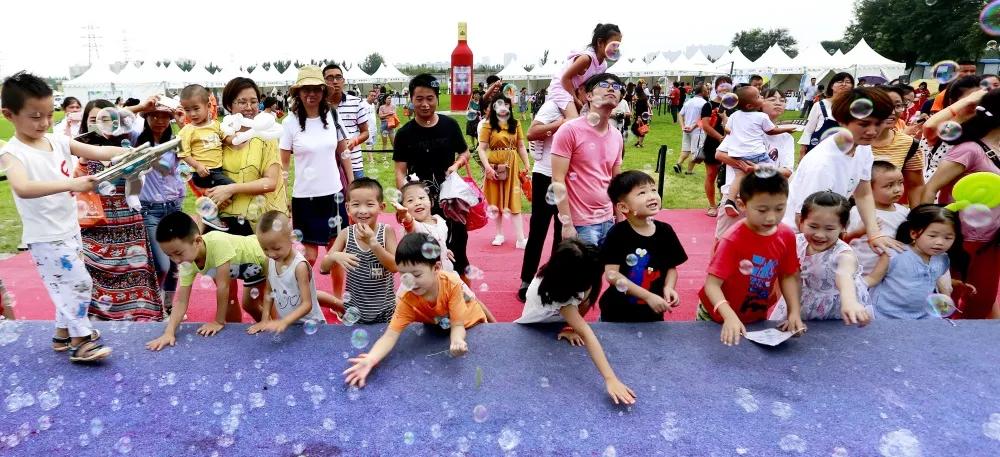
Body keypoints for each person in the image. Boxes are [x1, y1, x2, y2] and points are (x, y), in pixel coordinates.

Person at [0, 72, 126, 362]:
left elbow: (96, 150)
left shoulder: (56, 141)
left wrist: (125, 154)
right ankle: (80, 341)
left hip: (69, 230)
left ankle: (61, 334)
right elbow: (23, 187)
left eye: (47, 114)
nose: (44, 123)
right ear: (9, 115)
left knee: (66, 283)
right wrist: (71, 184)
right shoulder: (12, 153)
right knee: (79, 283)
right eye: (35, 117)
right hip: (46, 237)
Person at [342, 232, 492, 388]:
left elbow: (458, 325)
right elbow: (390, 335)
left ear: (436, 268)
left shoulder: (452, 283)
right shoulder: (408, 300)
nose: (410, 281)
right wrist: (370, 359)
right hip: (441, 330)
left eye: (417, 274)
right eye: (404, 275)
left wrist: (457, 340)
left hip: (474, 325)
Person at [783, 87, 905, 257]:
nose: (872, 131)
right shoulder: (822, 164)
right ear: (842, 121)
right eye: (863, 124)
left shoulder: (862, 148)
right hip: (795, 240)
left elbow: (863, 192)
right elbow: (802, 220)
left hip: (824, 233)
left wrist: (874, 233)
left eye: (878, 123)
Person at [514, 239, 636, 405]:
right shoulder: (554, 292)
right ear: (571, 279)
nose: (593, 281)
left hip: (557, 321)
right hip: (532, 329)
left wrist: (572, 327)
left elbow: (584, 302)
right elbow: (587, 333)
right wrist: (610, 378)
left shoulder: (573, 272)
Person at [77, 99, 163, 321]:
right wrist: (84, 159)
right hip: (95, 224)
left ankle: (137, 320)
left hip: (128, 224)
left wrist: (133, 173)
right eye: (93, 120)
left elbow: (135, 190)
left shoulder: (126, 148)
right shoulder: (77, 151)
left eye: (105, 119)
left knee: (134, 275)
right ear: (86, 123)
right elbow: (73, 186)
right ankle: (96, 320)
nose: (99, 125)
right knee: (90, 274)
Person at [697, 173, 805, 346]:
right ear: (742, 205)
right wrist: (729, 316)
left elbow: (788, 275)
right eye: (762, 210)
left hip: (755, 315)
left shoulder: (786, 236)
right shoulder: (732, 240)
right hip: (716, 316)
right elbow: (712, 285)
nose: (771, 217)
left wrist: (794, 312)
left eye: (779, 208)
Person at [922, 89, 1000, 318]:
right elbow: (930, 188)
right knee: (951, 304)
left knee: (982, 302)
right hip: (960, 241)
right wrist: (931, 230)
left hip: (992, 242)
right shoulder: (970, 150)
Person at [146, 211, 268, 351]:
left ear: (197, 241)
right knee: (245, 304)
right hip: (246, 270)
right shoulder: (186, 262)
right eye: (170, 256)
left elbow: (223, 286)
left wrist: (218, 321)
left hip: (264, 257)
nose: (176, 260)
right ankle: (262, 330)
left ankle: (277, 330)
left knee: (262, 304)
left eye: (178, 253)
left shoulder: (217, 242)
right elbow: (181, 301)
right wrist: (169, 332)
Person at [393, 74, 473, 280]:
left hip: (450, 204)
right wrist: (406, 199)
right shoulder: (404, 134)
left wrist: (456, 164)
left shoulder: (450, 125)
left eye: (430, 98)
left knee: (458, 257)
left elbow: (465, 152)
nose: (425, 104)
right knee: (424, 258)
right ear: (411, 99)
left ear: (437, 98)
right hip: (421, 206)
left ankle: (464, 305)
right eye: (419, 99)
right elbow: (400, 170)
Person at [771, 191, 882, 326]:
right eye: (813, 226)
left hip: (838, 309)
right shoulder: (794, 242)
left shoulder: (843, 254)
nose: (820, 234)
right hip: (802, 299)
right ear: (801, 222)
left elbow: (844, 275)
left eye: (829, 229)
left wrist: (849, 301)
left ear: (843, 227)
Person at [279, 66, 352, 268]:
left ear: (323, 90)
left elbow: (344, 154)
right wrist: (283, 197)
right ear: (298, 93)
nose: (311, 94)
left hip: (333, 194)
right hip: (304, 197)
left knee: (336, 253)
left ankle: (338, 299)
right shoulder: (289, 123)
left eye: (316, 89)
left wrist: (352, 188)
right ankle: (308, 297)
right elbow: (283, 164)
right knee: (308, 257)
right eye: (305, 89)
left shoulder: (333, 116)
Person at [599, 171, 688, 322]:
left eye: (653, 190)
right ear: (623, 207)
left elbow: (671, 268)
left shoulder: (665, 231)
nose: (652, 196)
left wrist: (669, 287)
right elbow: (612, 274)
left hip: (653, 314)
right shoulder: (618, 234)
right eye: (642, 193)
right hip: (617, 313)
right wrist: (648, 296)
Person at [207, 77, 288, 237]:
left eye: (254, 101)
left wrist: (230, 189)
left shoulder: (266, 137)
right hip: (223, 222)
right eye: (242, 102)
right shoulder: (219, 137)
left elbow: (270, 183)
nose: (249, 107)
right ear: (229, 105)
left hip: (258, 224)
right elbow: (205, 174)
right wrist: (216, 194)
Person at [551, 73, 625, 247]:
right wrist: (567, 224)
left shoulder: (616, 136)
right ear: (589, 96)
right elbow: (557, 179)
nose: (611, 89)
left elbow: (616, 181)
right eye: (604, 84)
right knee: (583, 274)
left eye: (616, 87)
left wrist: (619, 220)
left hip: (609, 221)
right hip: (581, 224)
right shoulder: (569, 130)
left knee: (609, 272)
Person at [714, 89, 796, 238]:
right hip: (739, 196)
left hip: (767, 199)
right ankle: (730, 202)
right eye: (771, 98)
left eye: (782, 100)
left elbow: (787, 171)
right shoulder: (741, 128)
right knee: (724, 241)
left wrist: (758, 168)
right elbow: (719, 154)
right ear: (756, 104)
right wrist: (744, 166)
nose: (778, 102)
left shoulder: (786, 138)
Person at [319, 178, 398, 323]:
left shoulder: (387, 232)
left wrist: (373, 243)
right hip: (354, 312)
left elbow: (394, 266)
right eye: (356, 205)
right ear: (348, 209)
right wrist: (334, 256)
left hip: (386, 312)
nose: (362, 210)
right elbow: (323, 268)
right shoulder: (345, 234)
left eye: (369, 204)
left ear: (382, 207)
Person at [134, 100, 186, 311]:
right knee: (162, 264)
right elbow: (117, 118)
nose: (160, 121)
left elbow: (166, 169)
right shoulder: (135, 139)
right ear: (146, 117)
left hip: (174, 208)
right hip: (151, 210)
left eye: (165, 116)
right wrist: (139, 107)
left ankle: (168, 306)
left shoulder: (175, 141)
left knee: (175, 263)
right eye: (154, 115)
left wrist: (183, 124)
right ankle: (154, 301)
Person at [870, 205, 963, 319]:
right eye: (932, 236)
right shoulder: (894, 254)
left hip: (923, 316)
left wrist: (948, 291)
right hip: (886, 315)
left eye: (948, 238)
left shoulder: (943, 259)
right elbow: (872, 279)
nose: (940, 242)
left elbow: (931, 278)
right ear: (914, 233)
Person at [517, 99, 566, 301]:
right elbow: (531, 133)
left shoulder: (589, 108)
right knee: (538, 229)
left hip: (570, 177)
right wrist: (561, 123)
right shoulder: (554, 106)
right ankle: (527, 279)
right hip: (545, 175)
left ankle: (553, 279)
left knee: (562, 231)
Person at [248, 211, 327, 335]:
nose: (271, 254)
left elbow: (307, 304)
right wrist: (264, 320)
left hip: (312, 325)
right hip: (290, 326)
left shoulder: (299, 266)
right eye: (265, 249)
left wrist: (284, 321)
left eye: (276, 248)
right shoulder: (269, 261)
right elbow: (269, 291)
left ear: (292, 238)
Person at [477, 96, 531, 247]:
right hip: (494, 164)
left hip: (512, 164)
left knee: (513, 199)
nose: (503, 107)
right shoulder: (488, 125)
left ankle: (520, 239)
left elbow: (521, 146)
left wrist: (526, 164)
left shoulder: (515, 123)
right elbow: (481, 148)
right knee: (495, 199)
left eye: (506, 104)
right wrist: (487, 167)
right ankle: (499, 234)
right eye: (500, 104)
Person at [177, 84, 233, 231]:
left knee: (224, 193)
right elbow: (183, 154)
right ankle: (209, 215)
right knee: (232, 187)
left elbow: (226, 138)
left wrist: (238, 139)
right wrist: (197, 166)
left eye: (196, 109)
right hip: (203, 173)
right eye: (187, 110)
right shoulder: (187, 131)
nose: (192, 114)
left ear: (208, 106)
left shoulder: (216, 125)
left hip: (218, 171)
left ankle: (210, 214)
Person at [845, 161, 910, 276]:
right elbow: (843, 239)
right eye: (889, 185)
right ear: (868, 189)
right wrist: (859, 232)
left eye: (900, 183)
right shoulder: (857, 212)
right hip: (862, 273)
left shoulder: (904, 212)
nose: (897, 189)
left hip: (892, 274)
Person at [545, 23, 622, 120]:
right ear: (600, 42)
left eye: (617, 45)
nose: (616, 49)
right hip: (561, 88)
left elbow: (591, 85)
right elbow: (565, 79)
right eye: (613, 44)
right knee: (573, 119)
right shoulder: (586, 59)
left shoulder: (604, 65)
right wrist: (576, 99)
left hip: (575, 91)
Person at [921, 75, 985, 182]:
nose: (977, 104)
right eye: (972, 100)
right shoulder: (945, 127)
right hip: (936, 194)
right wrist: (969, 100)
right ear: (953, 102)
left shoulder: (987, 129)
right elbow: (929, 126)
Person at [872, 85, 924, 205]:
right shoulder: (852, 141)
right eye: (884, 106)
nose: (892, 112)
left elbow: (916, 186)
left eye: (897, 106)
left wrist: (917, 218)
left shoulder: (909, 144)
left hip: (887, 215)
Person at [323, 64, 370, 179]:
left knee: (355, 196)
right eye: (330, 78)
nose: (335, 81)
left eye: (338, 77)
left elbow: (365, 132)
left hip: (354, 163)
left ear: (343, 81)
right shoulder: (318, 106)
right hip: (327, 165)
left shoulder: (356, 102)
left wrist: (355, 140)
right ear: (323, 82)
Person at [698, 77, 735, 217]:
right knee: (711, 175)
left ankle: (725, 202)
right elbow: (706, 126)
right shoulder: (708, 105)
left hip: (732, 145)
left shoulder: (736, 106)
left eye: (727, 85)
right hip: (713, 144)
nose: (724, 88)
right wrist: (720, 138)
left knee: (729, 177)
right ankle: (712, 205)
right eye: (721, 86)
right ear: (716, 88)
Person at [396, 181, 452, 271]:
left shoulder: (439, 220)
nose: (417, 203)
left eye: (421, 198)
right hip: (425, 277)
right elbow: (409, 223)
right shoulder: (414, 227)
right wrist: (404, 215)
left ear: (431, 202)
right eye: (410, 200)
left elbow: (440, 241)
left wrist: (444, 251)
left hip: (445, 272)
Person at [799, 72, 855, 156]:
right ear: (831, 86)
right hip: (819, 151)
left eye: (847, 82)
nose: (844, 84)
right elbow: (808, 130)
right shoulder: (819, 105)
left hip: (843, 152)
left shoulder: (854, 107)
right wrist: (803, 149)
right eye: (840, 81)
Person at [673, 82, 709, 175]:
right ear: (702, 92)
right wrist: (693, 127)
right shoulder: (705, 104)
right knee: (695, 152)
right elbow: (702, 118)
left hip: (686, 129)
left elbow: (680, 114)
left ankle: (678, 164)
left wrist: (683, 126)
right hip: (697, 131)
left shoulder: (688, 102)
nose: (708, 91)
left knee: (685, 149)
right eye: (706, 89)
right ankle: (689, 171)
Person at [362, 89, 379, 165]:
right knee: (368, 143)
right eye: (371, 95)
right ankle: (371, 159)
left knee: (372, 143)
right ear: (368, 96)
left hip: (374, 127)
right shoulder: (363, 104)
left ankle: (371, 156)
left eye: (374, 96)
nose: (373, 97)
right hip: (367, 127)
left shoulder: (372, 104)